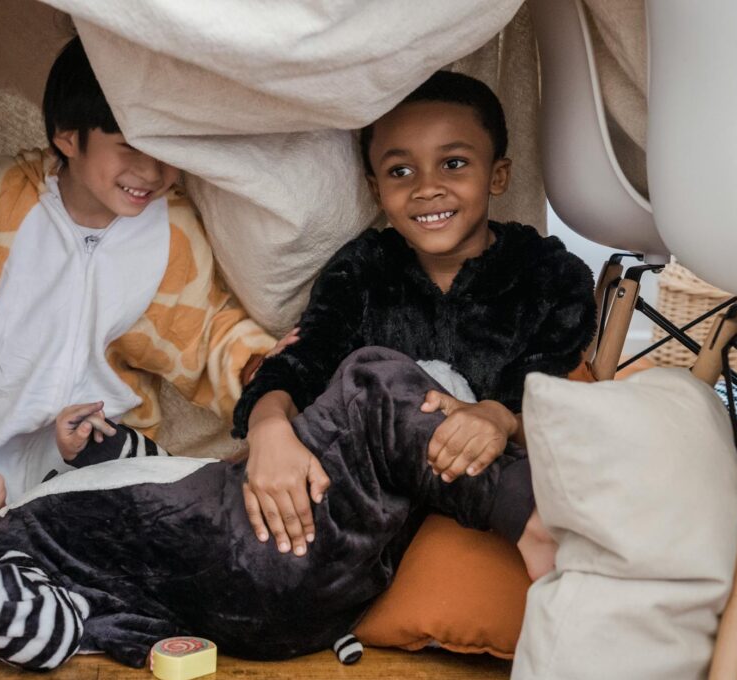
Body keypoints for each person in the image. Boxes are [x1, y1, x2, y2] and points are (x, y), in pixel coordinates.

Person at [0, 36, 276, 501]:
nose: (151, 171)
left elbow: (206, 336)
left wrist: (272, 382)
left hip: (90, 471)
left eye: (168, 151)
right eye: (129, 147)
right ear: (67, 135)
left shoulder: (173, 235)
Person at [0, 348, 532, 671]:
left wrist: (103, 448)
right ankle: (534, 520)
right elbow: (43, 631)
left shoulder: (34, 505)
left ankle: (509, 492)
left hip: (279, 565)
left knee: (408, 395)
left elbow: (163, 491)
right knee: (371, 384)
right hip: (262, 560)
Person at [232, 71, 596, 579]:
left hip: (486, 491)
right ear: (375, 189)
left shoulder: (549, 274)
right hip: (363, 500)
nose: (427, 188)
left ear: (498, 175)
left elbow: (551, 385)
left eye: (453, 163)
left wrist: (497, 416)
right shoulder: (361, 270)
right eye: (401, 171)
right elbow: (300, 362)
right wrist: (268, 428)